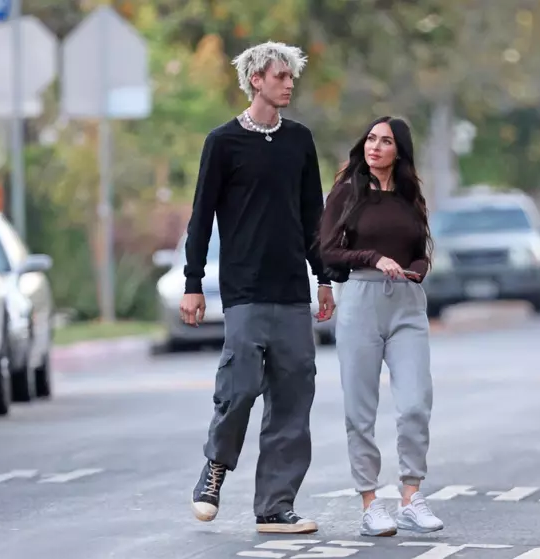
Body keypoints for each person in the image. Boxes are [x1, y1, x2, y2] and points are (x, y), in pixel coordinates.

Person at [180, 41, 336, 535]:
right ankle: (216, 467)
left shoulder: (300, 140)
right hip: (244, 290)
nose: (289, 84)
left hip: (292, 290)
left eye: (292, 77)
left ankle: (274, 505)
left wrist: (324, 276)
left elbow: (314, 214)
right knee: (240, 386)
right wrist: (192, 283)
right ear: (255, 81)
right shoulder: (223, 143)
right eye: (280, 76)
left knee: (293, 398)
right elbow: (201, 216)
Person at [318, 116, 443, 537]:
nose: (374, 146)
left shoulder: (410, 197)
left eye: (385, 141)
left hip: (407, 304)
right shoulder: (348, 192)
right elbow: (329, 250)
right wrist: (372, 258)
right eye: (370, 138)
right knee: (361, 410)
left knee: (414, 404)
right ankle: (370, 502)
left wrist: (419, 268)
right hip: (361, 301)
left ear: (398, 152)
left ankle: (411, 496)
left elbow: (420, 249)